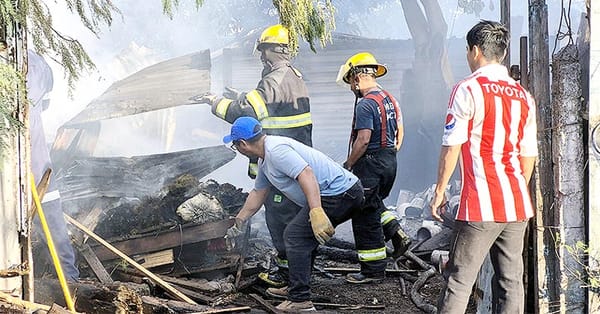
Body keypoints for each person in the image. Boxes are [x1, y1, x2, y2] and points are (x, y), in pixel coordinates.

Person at [429, 20, 537, 313]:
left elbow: (452, 145)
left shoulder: (467, 89)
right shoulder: (523, 96)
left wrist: (439, 192)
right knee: (511, 282)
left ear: (475, 50)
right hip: (516, 205)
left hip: (480, 204)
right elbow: (529, 155)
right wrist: (514, 189)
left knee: (459, 280)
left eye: (467, 50)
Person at [197, 24, 312, 288]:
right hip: (288, 161)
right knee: (288, 220)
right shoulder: (293, 75)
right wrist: (239, 94)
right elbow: (268, 105)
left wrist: (214, 102)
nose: (261, 57)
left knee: (281, 221)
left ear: (274, 49)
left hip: (279, 165)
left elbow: (246, 112)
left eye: (264, 50)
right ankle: (291, 274)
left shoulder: (274, 79)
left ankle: (292, 279)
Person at [223, 116, 370, 312]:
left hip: (341, 193)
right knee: (303, 237)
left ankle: (300, 300)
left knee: (295, 236)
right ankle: (297, 288)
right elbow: (258, 193)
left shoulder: (276, 151)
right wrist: (239, 221)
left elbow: (306, 174)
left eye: (235, 146)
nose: (238, 150)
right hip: (339, 192)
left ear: (242, 144)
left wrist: (316, 211)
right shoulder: (266, 159)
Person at [336, 52, 412, 283]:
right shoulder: (390, 99)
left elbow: (363, 140)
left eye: (350, 81)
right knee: (374, 201)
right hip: (389, 160)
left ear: (357, 77)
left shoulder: (366, 105)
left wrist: (349, 163)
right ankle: (395, 232)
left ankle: (372, 271)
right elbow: (400, 133)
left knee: (363, 215)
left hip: (370, 163)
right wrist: (388, 155)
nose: (351, 87)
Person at [27, 50, 80, 281]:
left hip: (38, 174)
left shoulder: (28, 62)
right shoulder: (34, 62)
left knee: (56, 233)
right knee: (57, 235)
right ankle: (71, 283)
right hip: (39, 171)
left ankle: (71, 287)